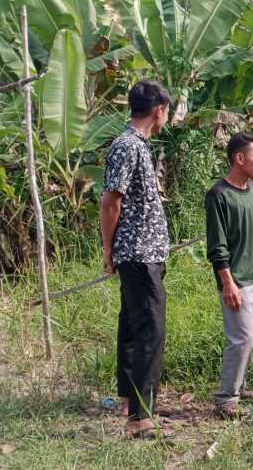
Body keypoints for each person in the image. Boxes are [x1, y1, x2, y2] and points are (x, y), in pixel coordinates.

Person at [100, 79, 172, 438]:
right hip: (138, 254)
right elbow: (111, 200)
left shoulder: (137, 146)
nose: (167, 117)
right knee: (150, 330)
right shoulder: (128, 146)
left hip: (141, 253)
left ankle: (130, 402)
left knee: (132, 326)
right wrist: (108, 248)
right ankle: (141, 418)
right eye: (167, 111)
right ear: (159, 109)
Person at [205, 131, 253, 418]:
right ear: (239, 158)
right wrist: (228, 283)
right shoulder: (219, 195)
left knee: (251, 335)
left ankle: (241, 385)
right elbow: (217, 246)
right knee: (242, 338)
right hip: (237, 280)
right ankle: (225, 400)